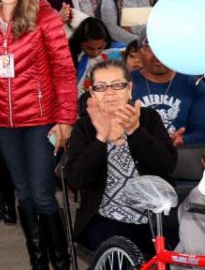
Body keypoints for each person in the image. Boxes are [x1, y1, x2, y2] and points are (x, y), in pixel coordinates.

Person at [0, 0, 76, 270]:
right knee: (24, 196)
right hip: (4, 123)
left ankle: (60, 263)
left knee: (43, 195)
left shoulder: (44, 17)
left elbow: (63, 70)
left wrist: (65, 119)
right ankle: (39, 263)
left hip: (41, 120)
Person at [66, 59, 176, 253]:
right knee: (119, 254)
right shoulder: (84, 127)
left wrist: (135, 131)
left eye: (117, 85)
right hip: (105, 216)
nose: (109, 93)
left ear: (129, 88)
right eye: (101, 87)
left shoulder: (149, 118)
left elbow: (166, 165)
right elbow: (76, 179)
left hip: (154, 216)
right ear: (92, 92)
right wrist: (100, 138)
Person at [131, 30, 205, 145]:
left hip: (180, 156)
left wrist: (183, 140)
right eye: (149, 47)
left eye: (164, 46)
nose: (157, 54)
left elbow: (202, 131)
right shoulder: (124, 83)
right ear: (139, 53)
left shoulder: (194, 85)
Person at [69, 17, 124, 98]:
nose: (96, 53)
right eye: (90, 48)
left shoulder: (118, 50)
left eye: (100, 47)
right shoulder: (69, 55)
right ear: (80, 42)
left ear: (106, 42)